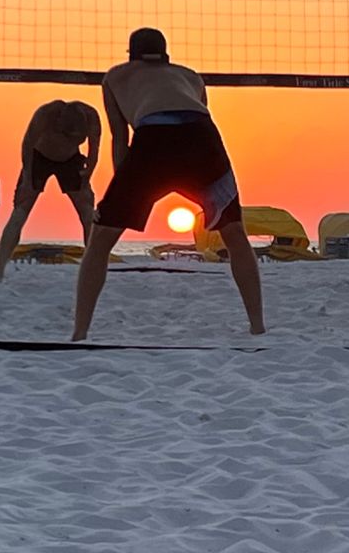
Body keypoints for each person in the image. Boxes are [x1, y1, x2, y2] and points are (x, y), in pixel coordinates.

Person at [72, 27, 265, 339]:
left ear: (131, 54)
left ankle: (79, 333)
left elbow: (120, 138)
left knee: (100, 242)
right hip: (202, 137)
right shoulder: (190, 75)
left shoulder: (116, 76)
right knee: (234, 233)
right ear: (166, 53)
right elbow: (200, 118)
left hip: (154, 138)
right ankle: (258, 327)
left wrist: (125, 191)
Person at [0, 100, 101, 281]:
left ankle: (92, 268)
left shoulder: (92, 117)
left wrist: (87, 177)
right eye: (65, 135)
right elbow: (27, 145)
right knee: (20, 211)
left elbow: (94, 152)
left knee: (88, 212)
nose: (69, 140)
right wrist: (27, 179)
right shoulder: (45, 114)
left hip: (71, 160)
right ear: (58, 122)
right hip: (38, 158)